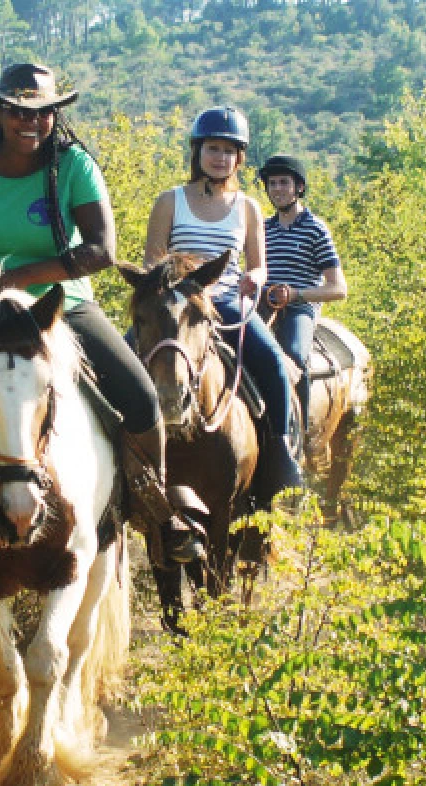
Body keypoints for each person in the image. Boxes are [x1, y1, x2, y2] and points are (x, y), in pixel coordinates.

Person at [0, 63, 205, 593]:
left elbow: (102, 251)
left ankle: (156, 513)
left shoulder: (74, 165)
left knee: (141, 397)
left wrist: (17, 276)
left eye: (43, 112)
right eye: (18, 111)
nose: (32, 122)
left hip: (63, 305)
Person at [143, 107, 305, 496]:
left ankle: (280, 452)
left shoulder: (247, 207)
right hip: (175, 305)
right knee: (125, 359)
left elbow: (259, 266)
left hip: (227, 302)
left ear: (239, 157)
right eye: (213, 148)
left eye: (229, 151)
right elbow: (151, 260)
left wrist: (255, 278)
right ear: (197, 151)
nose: (220, 157)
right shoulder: (170, 201)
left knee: (273, 364)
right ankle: (123, 453)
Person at [258, 155, 347, 434]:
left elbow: (338, 288)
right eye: (272, 184)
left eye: (284, 183)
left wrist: (296, 295)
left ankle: (297, 434)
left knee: (294, 356)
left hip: (300, 308)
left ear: (299, 187)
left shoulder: (315, 229)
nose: (277, 189)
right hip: (263, 303)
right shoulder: (262, 229)